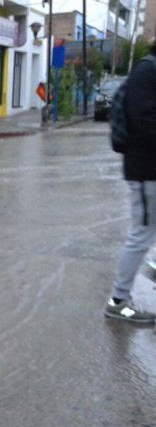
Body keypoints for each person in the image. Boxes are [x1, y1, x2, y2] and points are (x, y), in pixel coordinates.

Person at [106, 44, 156, 324]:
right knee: (141, 234)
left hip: (148, 167)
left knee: (146, 230)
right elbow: (144, 121)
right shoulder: (148, 71)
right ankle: (118, 301)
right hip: (147, 169)